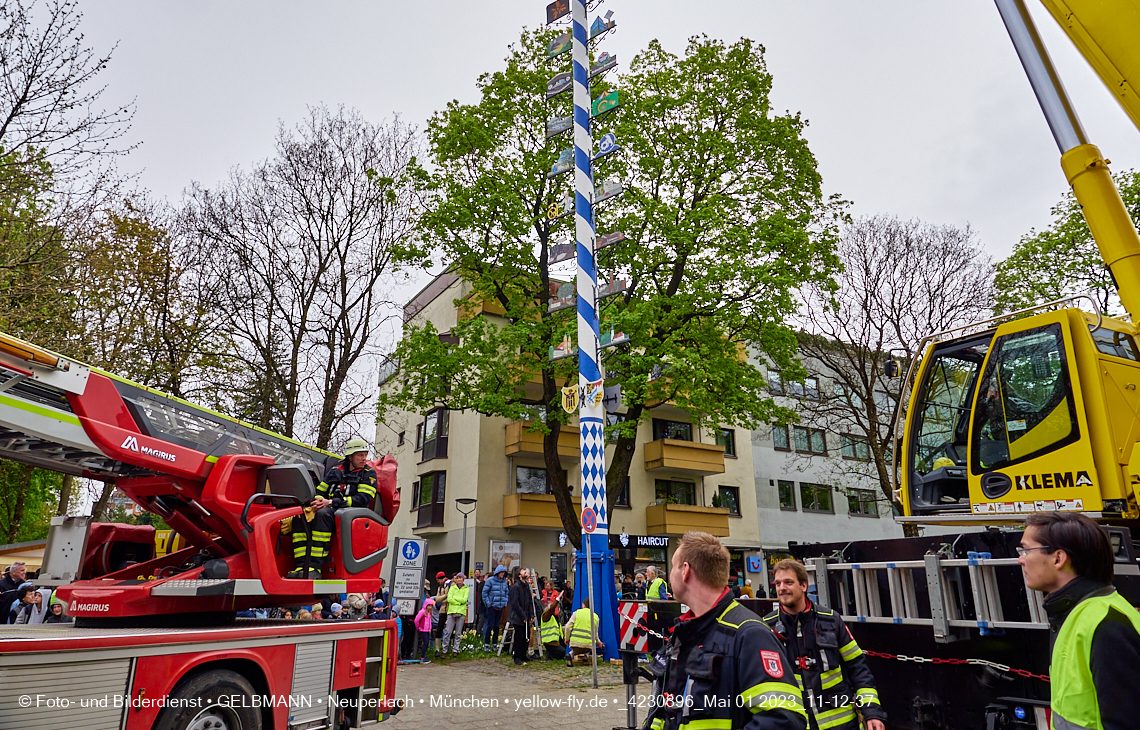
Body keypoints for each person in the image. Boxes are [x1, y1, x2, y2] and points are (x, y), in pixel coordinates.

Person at [643, 531, 807, 730]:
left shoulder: (750, 634)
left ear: (685, 571)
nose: (669, 576)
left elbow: (785, 721)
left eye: (672, 567)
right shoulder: (687, 632)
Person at [1019, 511, 1140, 730]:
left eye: (1026, 550)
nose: (1021, 559)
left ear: (1058, 558)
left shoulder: (1107, 625)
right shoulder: (1077, 613)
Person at [762, 559, 886, 730]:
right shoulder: (766, 628)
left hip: (841, 725)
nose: (782, 588)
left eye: (788, 582)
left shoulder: (830, 620)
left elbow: (858, 669)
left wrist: (871, 712)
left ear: (803, 586)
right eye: (778, 583)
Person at [288, 438, 377, 578]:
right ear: (350, 456)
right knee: (301, 516)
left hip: (351, 513)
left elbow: (363, 499)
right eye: (360, 455)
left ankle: (315, 568)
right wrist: (315, 503)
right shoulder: (335, 471)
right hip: (329, 508)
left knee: (323, 514)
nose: (364, 458)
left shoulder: (368, 474)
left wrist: (330, 502)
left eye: (365, 454)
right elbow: (320, 491)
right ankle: (301, 567)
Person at [563, 597, 604, 665]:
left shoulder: (576, 613)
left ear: (583, 605)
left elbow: (568, 627)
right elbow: (595, 634)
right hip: (588, 645)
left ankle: (570, 654)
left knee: (575, 649)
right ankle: (586, 655)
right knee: (587, 648)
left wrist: (567, 639)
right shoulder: (595, 616)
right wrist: (599, 643)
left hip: (575, 643)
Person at [508, 567, 535, 665]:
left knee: (526, 635)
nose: (526, 572)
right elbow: (515, 603)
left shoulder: (526, 586)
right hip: (518, 616)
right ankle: (517, 656)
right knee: (519, 636)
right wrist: (523, 616)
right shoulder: (516, 587)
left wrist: (531, 614)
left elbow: (530, 602)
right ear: (519, 576)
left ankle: (523, 654)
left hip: (526, 615)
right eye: (523, 571)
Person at [482, 564, 510, 651]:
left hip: (500, 607)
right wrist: (488, 603)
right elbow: (484, 593)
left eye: (504, 573)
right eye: (501, 572)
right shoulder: (490, 581)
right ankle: (486, 644)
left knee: (497, 626)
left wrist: (505, 602)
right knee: (490, 626)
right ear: (498, 572)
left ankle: (494, 644)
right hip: (492, 607)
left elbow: (506, 593)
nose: (503, 574)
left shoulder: (504, 582)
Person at [442, 572, 469, 657]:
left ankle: (455, 650)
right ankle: (444, 650)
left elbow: (465, 600)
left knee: (458, 632)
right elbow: (449, 599)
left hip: (461, 612)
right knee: (448, 631)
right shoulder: (452, 588)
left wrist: (455, 600)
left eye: (460, 578)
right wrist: (458, 602)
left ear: (463, 579)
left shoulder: (466, 588)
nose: (459, 579)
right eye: (457, 578)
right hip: (452, 612)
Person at [539, 595, 565, 660]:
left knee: (565, 651)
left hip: (556, 641)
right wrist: (558, 598)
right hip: (550, 642)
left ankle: (552, 654)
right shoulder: (545, 616)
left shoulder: (554, 617)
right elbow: (552, 608)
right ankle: (549, 654)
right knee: (563, 652)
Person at [415, 598, 435, 663]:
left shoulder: (429, 613)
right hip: (422, 629)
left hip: (427, 630)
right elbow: (416, 620)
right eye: (428, 606)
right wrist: (418, 627)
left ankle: (423, 655)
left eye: (431, 606)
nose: (430, 607)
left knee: (426, 643)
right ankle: (422, 656)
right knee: (425, 642)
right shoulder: (422, 612)